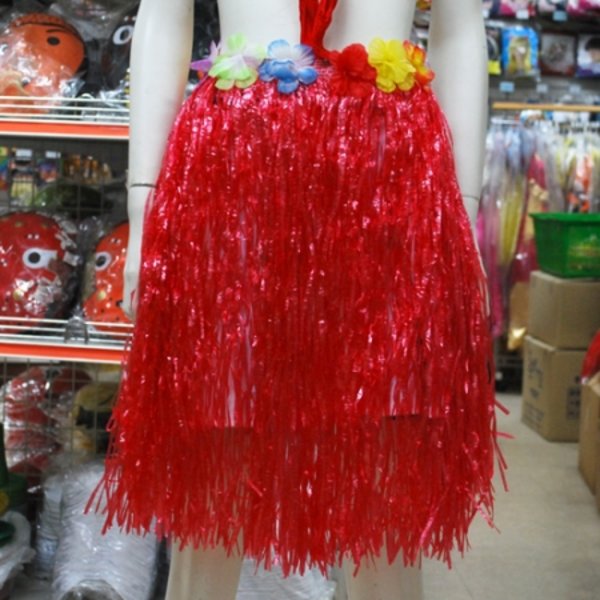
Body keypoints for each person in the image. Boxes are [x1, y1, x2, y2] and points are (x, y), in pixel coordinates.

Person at [93, 1, 501, 599]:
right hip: (236, 166)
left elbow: (461, 30)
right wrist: (143, 207)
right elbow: (164, 15)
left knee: (383, 439)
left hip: (390, 167)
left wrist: (460, 216)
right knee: (221, 431)